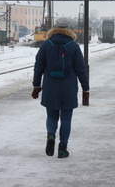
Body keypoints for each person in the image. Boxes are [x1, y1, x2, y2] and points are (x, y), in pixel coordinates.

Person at [31, 17, 89, 158]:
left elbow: (38, 67)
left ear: (55, 28)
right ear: (68, 28)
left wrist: (36, 85)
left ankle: (51, 135)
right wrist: (86, 88)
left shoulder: (46, 45)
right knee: (66, 118)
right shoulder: (73, 46)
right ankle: (62, 148)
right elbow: (81, 69)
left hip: (50, 87)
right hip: (68, 88)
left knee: (51, 116)